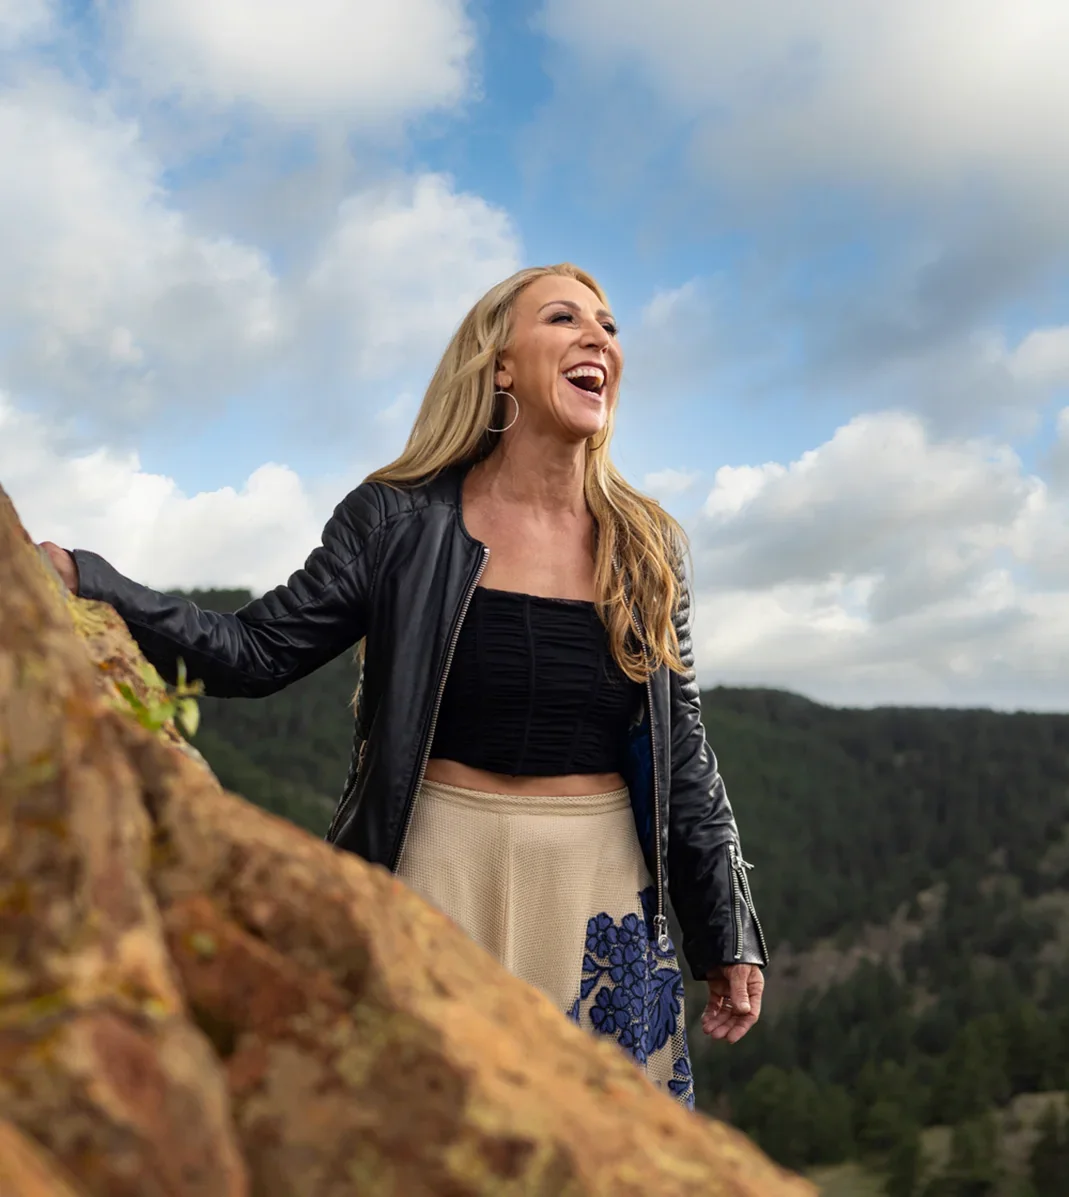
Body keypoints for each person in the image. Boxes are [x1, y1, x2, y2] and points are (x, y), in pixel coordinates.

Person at [40, 263, 767, 1109]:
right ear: (500, 365)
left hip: (597, 892)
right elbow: (255, 650)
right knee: (418, 1133)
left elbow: (684, 749)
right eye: (565, 318)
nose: (598, 337)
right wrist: (88, 578)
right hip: (433, 871)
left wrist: (725, 927)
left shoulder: (647, 545)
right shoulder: (395, 519)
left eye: (608, 326)